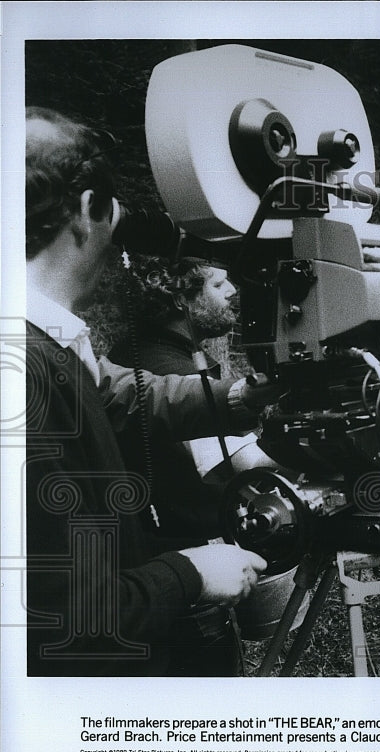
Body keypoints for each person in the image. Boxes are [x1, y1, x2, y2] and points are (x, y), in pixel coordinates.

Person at [24, 106, 272, 677]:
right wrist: (190, 573)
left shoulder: (51, 342)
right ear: (88, 210)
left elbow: (117, 397)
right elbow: (60, 613)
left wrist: (234, 397)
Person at [107, 257, 275, 675]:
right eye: (219, 285)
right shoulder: (165, 367)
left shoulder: (155, 352)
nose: (233, 292)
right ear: (180, 297)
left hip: (165, 572)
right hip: (184, 591)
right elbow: (247, 464)